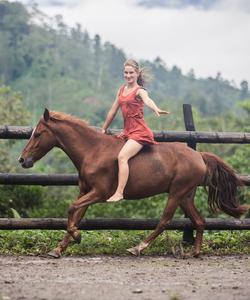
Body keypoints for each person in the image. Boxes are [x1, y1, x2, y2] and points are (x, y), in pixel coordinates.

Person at [102, 59, 170, 202]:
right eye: (126, 72)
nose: (128, 75)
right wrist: (104, 129)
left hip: (139, 132)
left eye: (131, 73)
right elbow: (113, 111)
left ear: (137, 73)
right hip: (127, 132)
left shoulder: (139, 91)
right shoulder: (121, 90)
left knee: (122, 157)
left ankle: (119, 192)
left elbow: (147, 100)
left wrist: (156, 108)